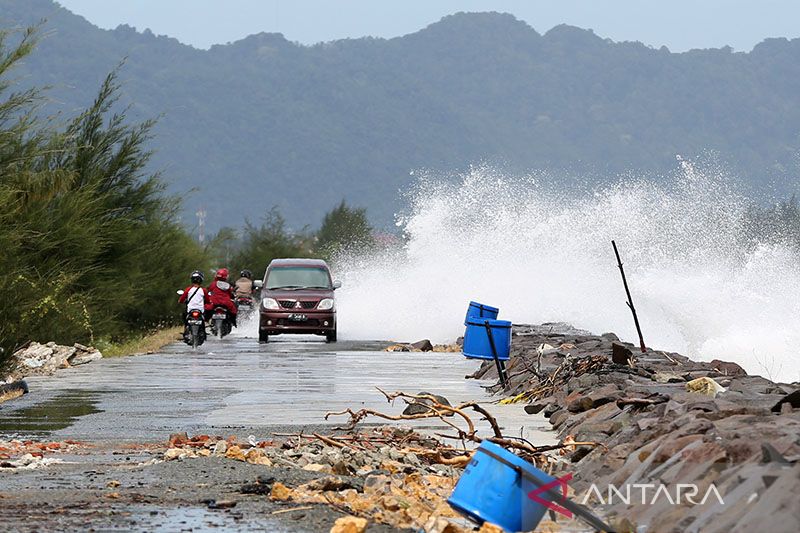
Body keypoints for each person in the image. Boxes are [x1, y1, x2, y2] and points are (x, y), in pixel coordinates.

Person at [178, 270, 209, 339]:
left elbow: (181, 299)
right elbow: (208, 300)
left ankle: (185, 332)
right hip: (200, 310)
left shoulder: (188, 289)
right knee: (203, 319)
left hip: (190, 310)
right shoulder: (203, 290)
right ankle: (203, 332)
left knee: (185, 318)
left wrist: (181, 301)